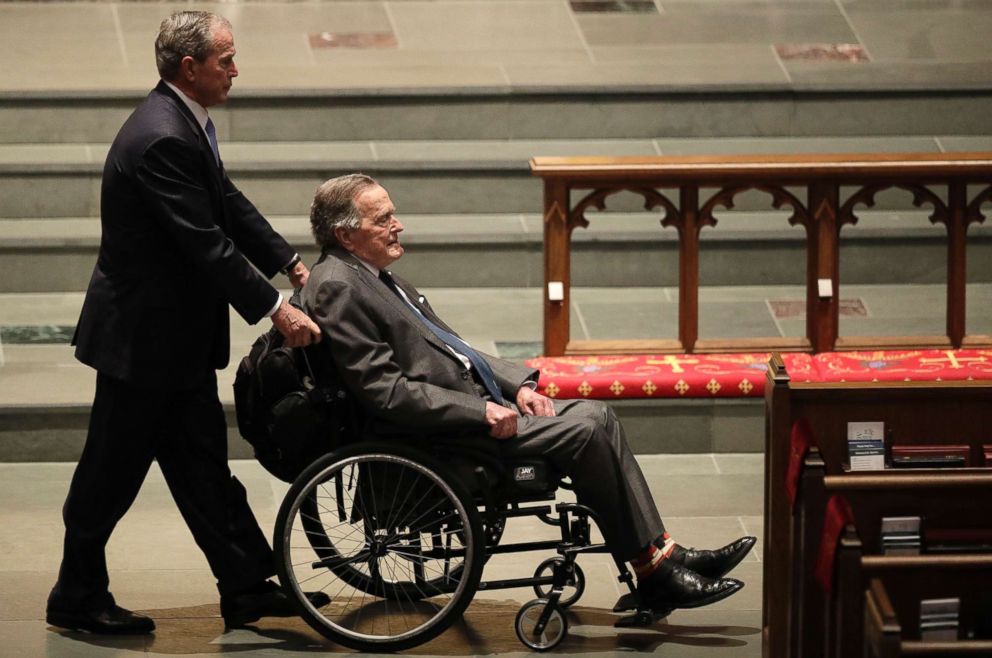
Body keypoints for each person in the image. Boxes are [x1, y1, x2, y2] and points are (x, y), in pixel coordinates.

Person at [300, 173, 756, 615]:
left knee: (598, 415)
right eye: (384, 219)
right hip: (441, 433)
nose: (398, 225)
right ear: (346, 234)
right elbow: (387, 392)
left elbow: (453, 348)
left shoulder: (373, 274)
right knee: (584, 432)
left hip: (472, 406)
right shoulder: (340, 286)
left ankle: (662, 553)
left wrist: (518, 387)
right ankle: (654, 572)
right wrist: (480, 410)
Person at [47, 11, 327, 635]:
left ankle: (247, 588)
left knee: (202, 467)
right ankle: (75, 596)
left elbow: (224, 200)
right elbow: (206, 244)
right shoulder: (161, 137)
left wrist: (288, 262)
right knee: (108, 476)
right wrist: (275, 306)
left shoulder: (182, 121)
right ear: (189, 68)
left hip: (174, 344)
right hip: (142, 346)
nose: (235, 69)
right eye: (225, 60)